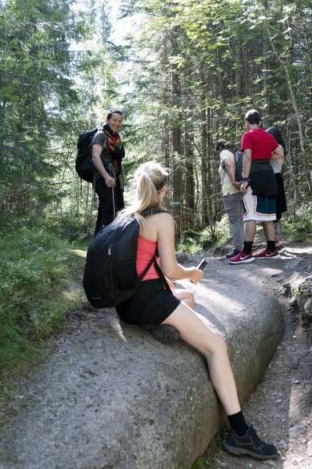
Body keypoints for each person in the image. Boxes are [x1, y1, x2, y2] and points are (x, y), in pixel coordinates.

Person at [114, 161, 278, 460]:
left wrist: (180, 286)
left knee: (187, 298)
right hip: (149, 299)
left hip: (127, 303)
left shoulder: (127, 216)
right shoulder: (161, 218)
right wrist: (192, 273)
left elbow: (143, 265)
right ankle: (240, 433)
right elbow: (171, 269)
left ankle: (159, 325)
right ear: (162, 191)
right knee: (216, 345)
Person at [229, 110, 284, 265]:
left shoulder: (248, 135)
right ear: (259, 121)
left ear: (247, 122)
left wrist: (245, 179)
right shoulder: (268, 136)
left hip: (255, 176)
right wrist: (266, 155)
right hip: (269, 176)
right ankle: (271, 249)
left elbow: (247, 156)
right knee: (268, 215)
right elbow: (280, 153)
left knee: (250, 215)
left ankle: (246, 253)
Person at [92, 109, 126, 235]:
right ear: (107, 120)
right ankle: (105, 248)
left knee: (110, 212)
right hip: (104, 179)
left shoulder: (117, 139)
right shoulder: (100, 135)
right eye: (114, 120)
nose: (117, 123)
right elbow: (95, 156)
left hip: (115, 180)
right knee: (109, 214)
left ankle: (96, 246)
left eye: (119, 121)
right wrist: (106, 177)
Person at [216, 139, 244, 259]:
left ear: (220, 147)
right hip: (239, 190)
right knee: (240, 219)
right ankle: (242, 247)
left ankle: (238, 249)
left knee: (234, 221)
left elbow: (228, 164)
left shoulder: (224, 154)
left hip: (230, 190)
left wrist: (233, 181)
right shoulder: (234, 153)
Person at [266, 126, 287, 249]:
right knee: (272, 210)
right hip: (272, 178)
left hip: (275, 177)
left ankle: (277, 240)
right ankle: (274, 240)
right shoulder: (275, 147)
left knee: (275, 210)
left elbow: (267, 156)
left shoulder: (278, 148)